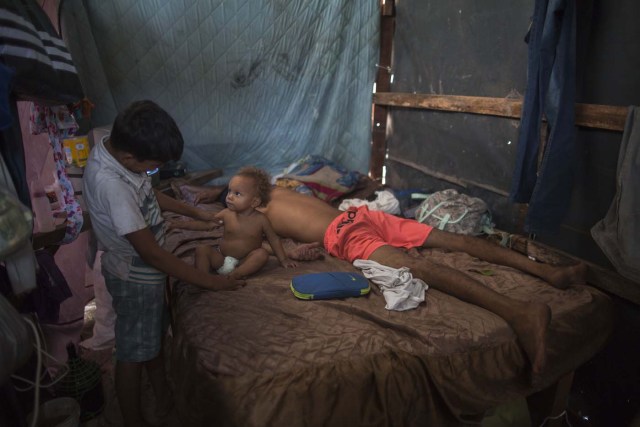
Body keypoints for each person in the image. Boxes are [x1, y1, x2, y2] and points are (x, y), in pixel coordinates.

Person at [253, 186, 587, 380]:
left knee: (414, 267)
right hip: (358, 215)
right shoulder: (281, 189)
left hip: (341, 233)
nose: (233, 202)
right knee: (450, 240)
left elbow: (264, 243)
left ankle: (520, 312)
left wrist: (281, 247)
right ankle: (550, 273)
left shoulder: (258, 212)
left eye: (235, 195)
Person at [83, 100, 245, 427]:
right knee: (131, 354)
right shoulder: (112, 185)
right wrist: (212, 282)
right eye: (153, 166)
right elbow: (152, 255)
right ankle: (134, 419)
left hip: (146, 271)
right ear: (131, 158)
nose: (153, 173)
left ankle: (162, 393)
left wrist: (195, 212)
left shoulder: (120, 157)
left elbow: (150, 194)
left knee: (150, 338)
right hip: (135, 276)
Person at [169, 167, 297, 279]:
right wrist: (182, 224)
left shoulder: (261, 220)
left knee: (261, 254)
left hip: (244, 261)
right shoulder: (226, 213)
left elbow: (273, 239)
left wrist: (283, 259)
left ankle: (236, 275)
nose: (229, 196)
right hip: (222, 259)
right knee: (202, 249)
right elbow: (207, 225)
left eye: (237, 193)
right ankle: (203, 278)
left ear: (255, 202)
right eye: (229, 191)